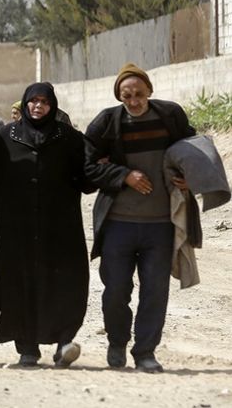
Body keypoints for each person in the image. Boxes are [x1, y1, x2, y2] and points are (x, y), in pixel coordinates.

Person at [84, 63, 195, 373]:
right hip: (118, 224)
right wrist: (123, 175)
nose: (133, 101)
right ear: (119, 96)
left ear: (149, 92)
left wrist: (189, 177)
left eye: (138, 94)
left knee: (155, 291)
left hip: (160, 224)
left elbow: (192, 152)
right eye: (126, 95)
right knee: (116, 290)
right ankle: (117, 342)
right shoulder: (106, 123)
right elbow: (87, 167)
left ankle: (145, 351)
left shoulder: (170, 116)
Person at [0, 82, 92, 368]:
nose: (38, 106)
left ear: (53, 105)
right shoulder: (3, 137)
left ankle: (64, 342)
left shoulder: (69, 138)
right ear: (24, 104)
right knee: (18, 285)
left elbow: (88, 178)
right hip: (16, 227)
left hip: (60, 227)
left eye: (44, 102)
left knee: (65, 283)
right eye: (32, 101)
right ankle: (27, 347)